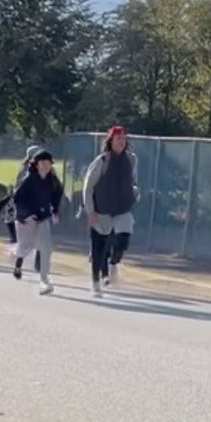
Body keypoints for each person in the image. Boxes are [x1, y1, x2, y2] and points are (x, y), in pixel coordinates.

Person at [83, 125, 139, 297]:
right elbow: (88, 187)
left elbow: (133, 180)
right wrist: (90, 210)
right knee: (99, 246)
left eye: (123, 139)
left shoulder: (131, 159)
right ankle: (95, 282)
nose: (121, 142)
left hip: (122, 208)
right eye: (118, 139)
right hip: (102, 209)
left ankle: (114, 263)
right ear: (110, 141)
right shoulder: (102, 161)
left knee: (123, 240)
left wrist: (135, 191)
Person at [12, 149, 64, 295]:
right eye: (43, 162)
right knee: (25, 246)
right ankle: (18, 263)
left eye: (49, 163)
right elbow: (17, 199)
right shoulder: (29, 180)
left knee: (46, 247)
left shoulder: (52, 181)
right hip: (27, 219)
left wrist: (55, 211)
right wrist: (25, 216)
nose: (46, 165)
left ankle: (44, 281)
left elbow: (57, 195)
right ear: (36, 164)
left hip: (43, 217)